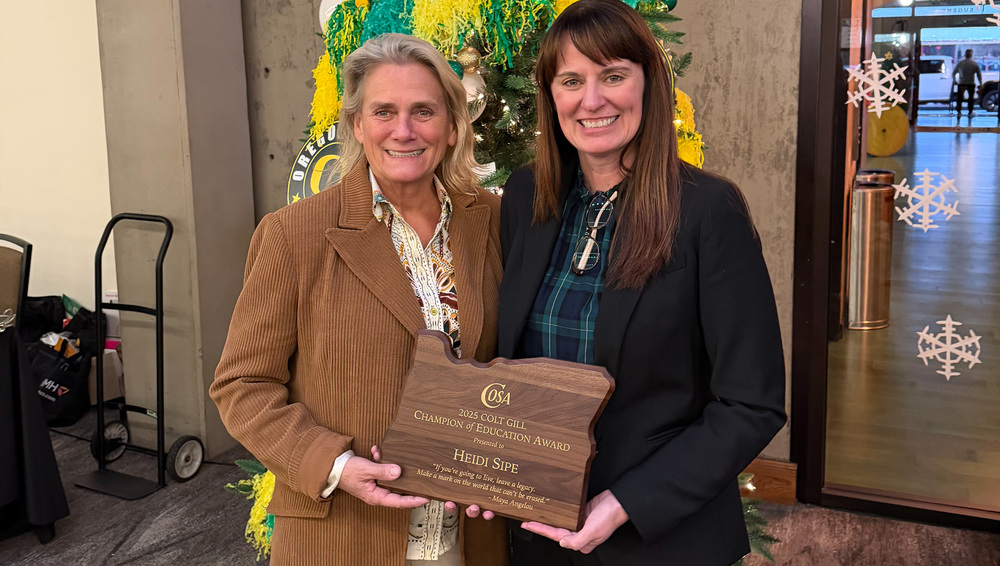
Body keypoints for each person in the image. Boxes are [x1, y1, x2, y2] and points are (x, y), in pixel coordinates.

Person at [496, 1, 786, 564]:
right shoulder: (527, 195)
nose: (592, 99)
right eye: (571, 80)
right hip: (539, 527)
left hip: (660, 536)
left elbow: (751, 404)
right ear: (551, 96)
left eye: (613, 75)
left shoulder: (707, 210)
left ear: (649, 84)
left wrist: (624, 503)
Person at [211, 33, 508, 566]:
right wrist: (333, 464)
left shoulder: (488, 220)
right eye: (384, 111)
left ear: (451, 125)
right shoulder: (295, 234)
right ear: (356, 124)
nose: (404, 130)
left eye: (424, 111)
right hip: (348, 534)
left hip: (466, 533)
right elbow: (242, 385)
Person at [954, 49, 983, 118]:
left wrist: (955, 81)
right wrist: (980, 83)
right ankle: (970, 111)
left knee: (960, 98)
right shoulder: (974, 64)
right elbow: (979, 75)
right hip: (971, 83)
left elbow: (954, 73)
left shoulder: (960, 63)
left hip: (961, 83)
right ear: (971, 55)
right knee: (970, 98)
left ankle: (959, 111)